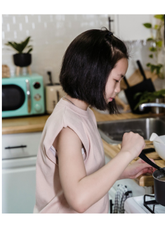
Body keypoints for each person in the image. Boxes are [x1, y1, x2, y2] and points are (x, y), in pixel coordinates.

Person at [35, 29, 155, 213]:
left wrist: (123, 170)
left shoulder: (84, 113)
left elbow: (83, 177)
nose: (118, 89)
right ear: (93, 73)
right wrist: (126, 153)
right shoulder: (68, 128)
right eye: (116, 80)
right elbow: (79, 199)